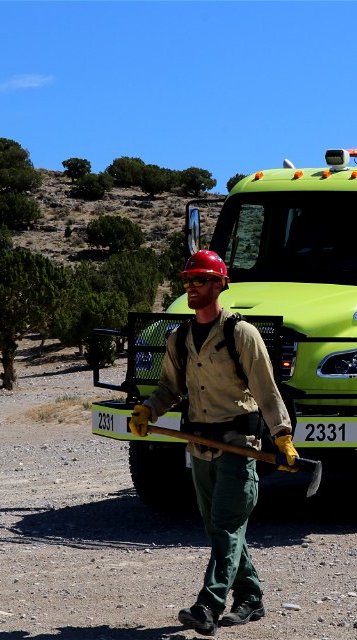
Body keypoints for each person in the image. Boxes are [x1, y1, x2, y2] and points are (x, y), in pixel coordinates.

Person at [129, 249, 300, 636]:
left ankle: (208, 605)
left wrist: (283, 437)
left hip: (240, 445)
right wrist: (148, 411)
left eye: (200, 280)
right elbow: (169, 389)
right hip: (199, 448)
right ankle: (252, 596)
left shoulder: (242, 334)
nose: (192, 287)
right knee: (219, 528)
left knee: (225, 525)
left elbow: (267, 391)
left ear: (220, 284)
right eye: (188, 281)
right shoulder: (180, 338)